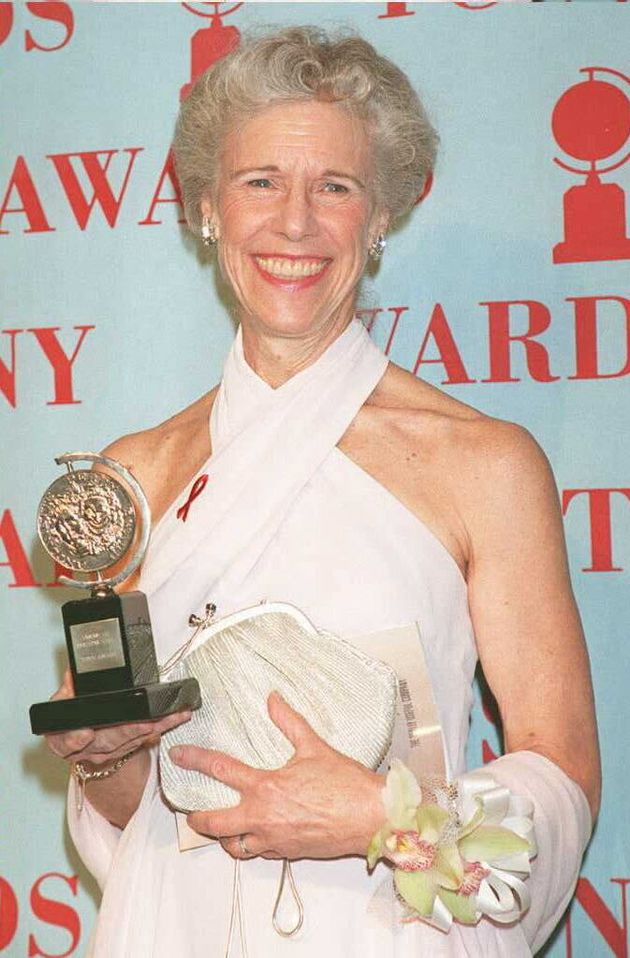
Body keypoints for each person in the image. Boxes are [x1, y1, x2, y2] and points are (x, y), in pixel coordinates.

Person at [45, 26, 600, 957]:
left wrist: (384, 813)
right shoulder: (130, 477)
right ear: (208, 207)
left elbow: (565, 773)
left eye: (334, 188)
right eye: (261, 180)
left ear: (379, 216)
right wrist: (110, 750)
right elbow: (135, 806)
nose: (294, 223)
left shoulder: (485, 462)